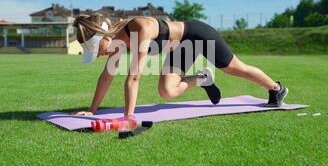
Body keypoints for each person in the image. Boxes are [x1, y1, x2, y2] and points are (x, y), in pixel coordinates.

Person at [71, 13, 288, 117]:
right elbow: (107, 76)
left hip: (197, 34)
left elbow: (134, 77)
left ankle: (276, 89)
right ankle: (204, 79)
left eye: (97, 49)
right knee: (166, 91)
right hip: (179, 48)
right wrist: (92, 111)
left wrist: (128, 118)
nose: (98, 55)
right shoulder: (116, 43)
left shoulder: (138, 27)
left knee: (233, 68)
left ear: (103, 37)